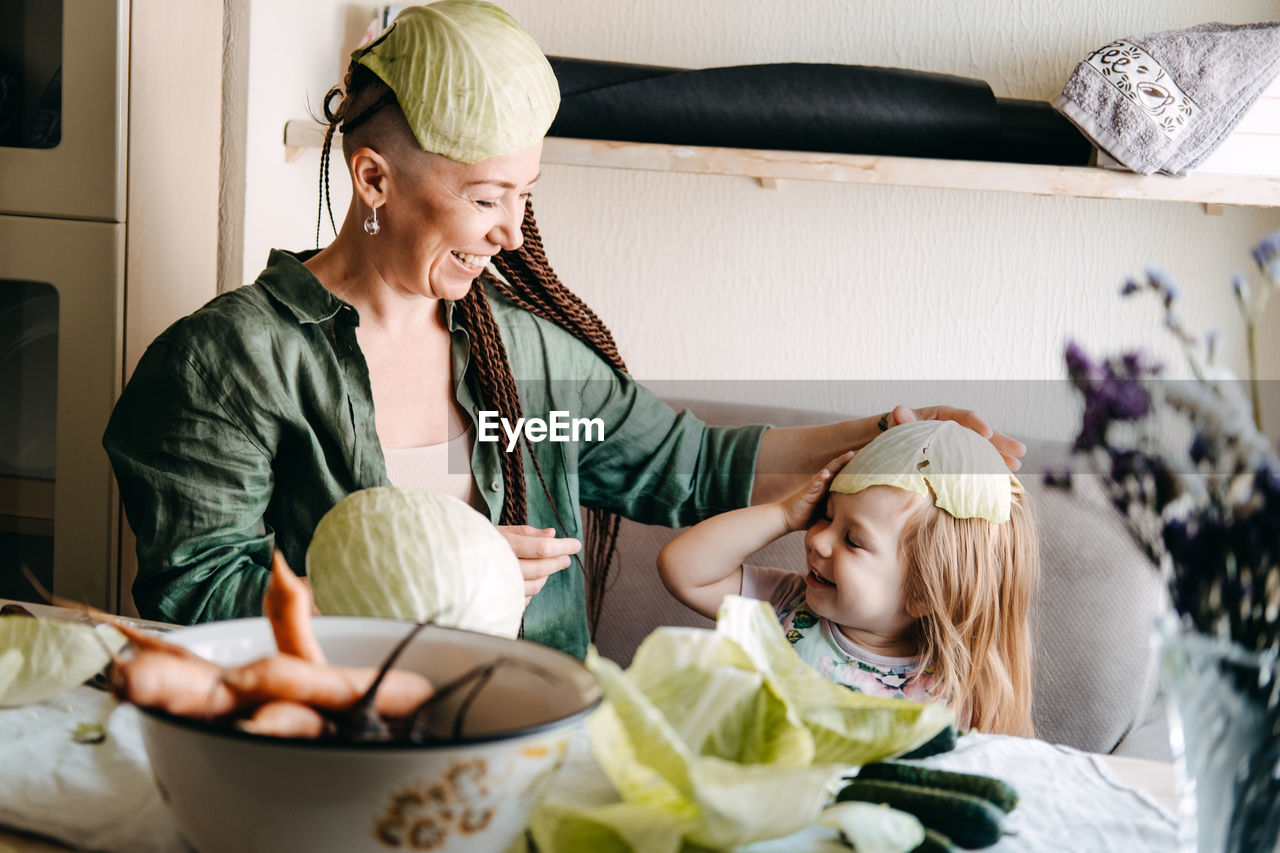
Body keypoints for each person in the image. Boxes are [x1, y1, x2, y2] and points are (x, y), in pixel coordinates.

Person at [102, 1, 1024, 660]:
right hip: (330, 749)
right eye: (485, 198)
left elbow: (694, 466)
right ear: (374, 180)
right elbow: (198, 602)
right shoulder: (224, 365)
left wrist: (884, 435)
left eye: (526, 196)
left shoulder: (523, 353)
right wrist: (443, 578)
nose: (512, 232)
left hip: (545, 736)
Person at [658, 420, 1039, 735]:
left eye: (853, 540)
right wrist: (784, 515)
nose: (819, 540)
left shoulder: (951, 694)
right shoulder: (785, 606)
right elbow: (683, 570)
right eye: (825, 515)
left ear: (924, 593)